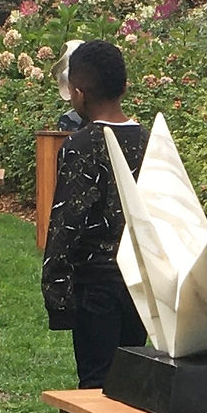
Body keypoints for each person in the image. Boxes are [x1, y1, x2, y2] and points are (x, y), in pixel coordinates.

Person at [41, 39, 150, 389]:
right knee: (132, 381)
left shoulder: (81, 146)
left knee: (96, 383)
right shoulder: (149, 141)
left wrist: (58, 294)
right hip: (143, 282)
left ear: (77, 93)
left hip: (96, 286)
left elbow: (66, 223)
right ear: (124, 87)